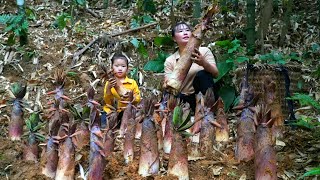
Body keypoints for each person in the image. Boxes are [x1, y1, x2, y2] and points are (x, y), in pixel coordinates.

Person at [164, 22, 219, 113]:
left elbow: (216, 74)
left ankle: (209, 112)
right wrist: (166, 83)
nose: (185, 33)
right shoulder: (170, 60)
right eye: (180, 31)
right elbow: (167, 82)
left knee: (202, 75)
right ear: (174, 38)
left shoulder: (204, 51)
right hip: (183, 99)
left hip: (202, 96)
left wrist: (203, 63)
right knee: (169, 91)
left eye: (187, 30)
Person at [101, 54, 141, 127]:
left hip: (126, 111)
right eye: (116, 66)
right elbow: (107, 102)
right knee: (104, 121)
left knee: (135, 120)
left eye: (123, 66)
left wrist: (132, 97)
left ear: (127, 68)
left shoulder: (132, 82)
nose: (120, 69)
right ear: (112, 68)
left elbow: (138, 98)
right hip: (111, 111)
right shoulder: (108, 83)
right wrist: (108, 89)